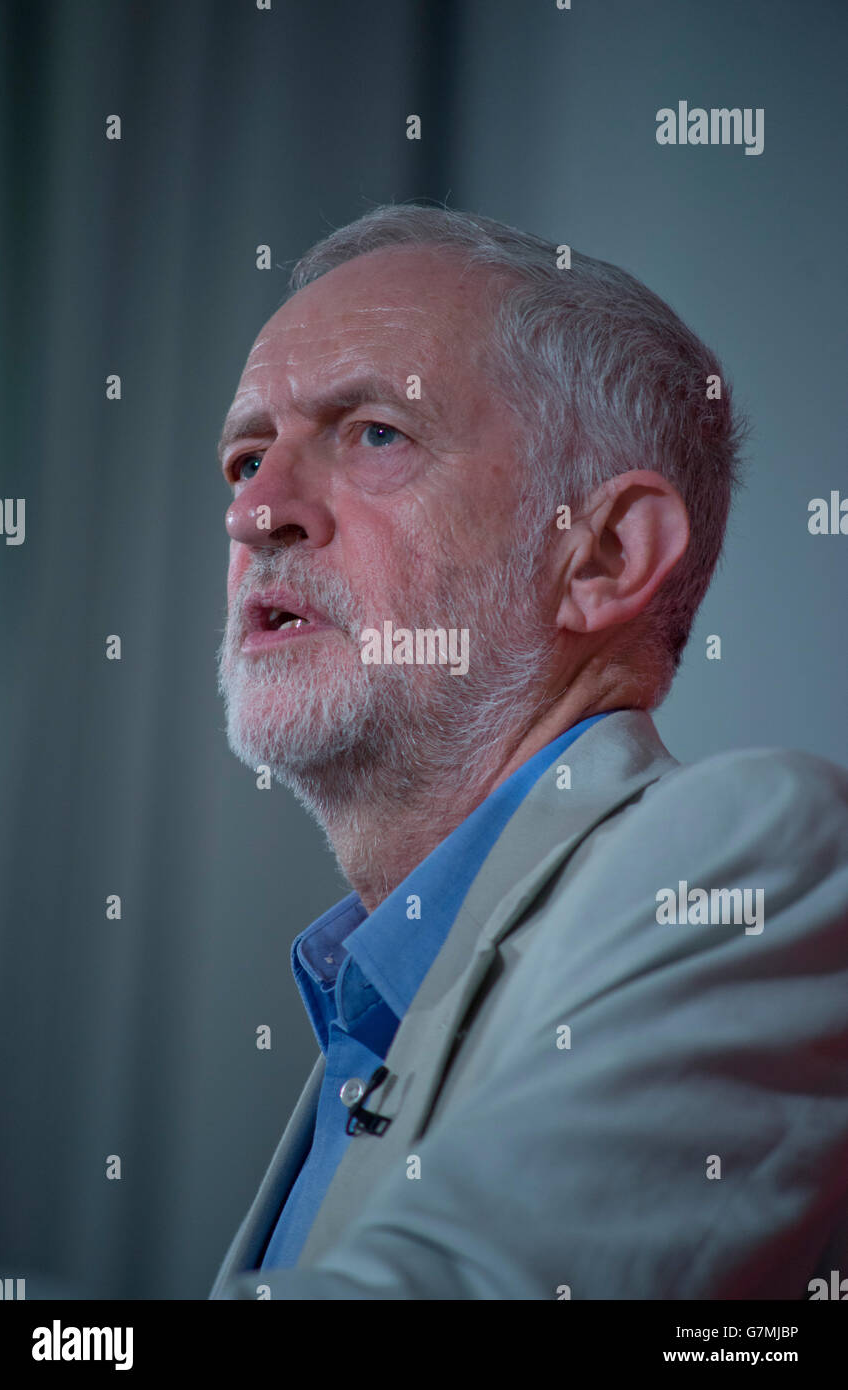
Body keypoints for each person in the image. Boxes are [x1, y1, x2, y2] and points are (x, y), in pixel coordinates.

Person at [210, 204, 848, 1299]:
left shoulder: (753, 856)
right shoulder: (375, 1000)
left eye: (374, 432)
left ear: (600, 555)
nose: (256, 511)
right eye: (247, 455)